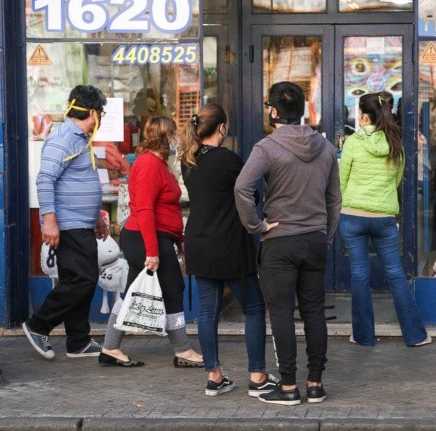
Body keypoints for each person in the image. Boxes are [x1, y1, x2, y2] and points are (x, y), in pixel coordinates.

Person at [234, 81, 341, 406]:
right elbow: (334, 199)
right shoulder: (325, 147)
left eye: (269, 107)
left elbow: (242, 188)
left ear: (274, 111)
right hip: (314, 240)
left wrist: (257, 225)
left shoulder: (266, 148)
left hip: (280, 241)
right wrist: (326, 233)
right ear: (303, 110)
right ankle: (316, 384)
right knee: (313, 312)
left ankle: (289, 387)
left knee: (280, 313)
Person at [180, 103, 277, 397]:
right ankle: (258, 376)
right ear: (221, 127)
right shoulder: (228, 160)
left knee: (207, 312)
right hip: (230, 245)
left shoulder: (189, 159)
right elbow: (251, 193)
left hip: (199, 242)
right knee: (254, 308)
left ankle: (214, 376)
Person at [98, 116, 203, 368]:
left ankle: (110, 347)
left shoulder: (157, 163)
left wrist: (177, 239)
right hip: (147, 238)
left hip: (152, 237)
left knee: (131, 294)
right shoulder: (148, 164)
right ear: (166, 136)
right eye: (174, 134)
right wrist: (153, 251)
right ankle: (183, 350)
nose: (177, 139)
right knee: (173, 289)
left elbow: (165, 209)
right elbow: (144, 210)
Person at [23, 85, 109, 360]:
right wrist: (48, 221)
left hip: (81, 222)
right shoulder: (63, 137)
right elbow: (45, 179)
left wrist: (96, 216)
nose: (101, 118)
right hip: (68, 223)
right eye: (101, 112)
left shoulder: (80, 137)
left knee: (77, 279)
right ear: (93, 112)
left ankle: (78, 341)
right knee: (84, 279)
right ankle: (38, 324)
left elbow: (81, 180)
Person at [339, 91, 431, 348]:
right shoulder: (395, 143)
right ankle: (416, 336)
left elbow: (341, 181)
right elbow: (396, 179)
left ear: (363, 116)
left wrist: (350, 201)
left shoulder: (353, 143)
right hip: (384, 216)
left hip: (353, 215)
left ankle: (363, 336)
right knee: (395, 274)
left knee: (359, 275)